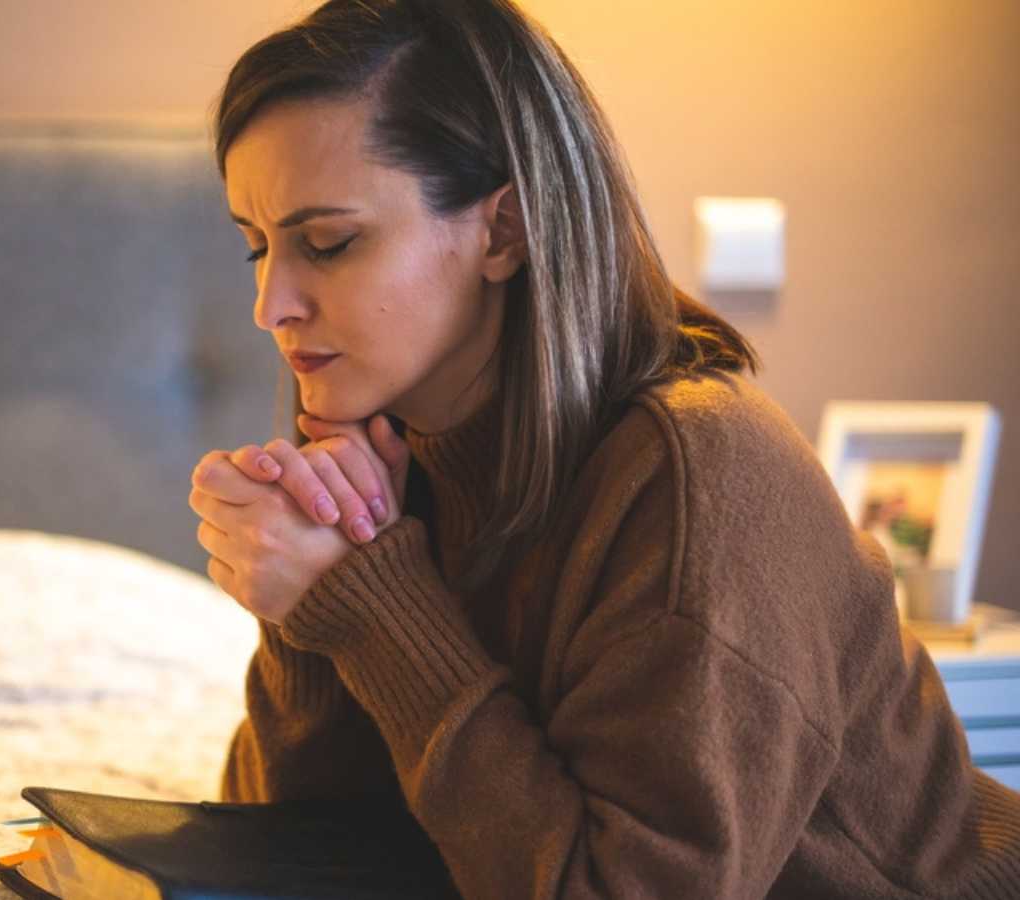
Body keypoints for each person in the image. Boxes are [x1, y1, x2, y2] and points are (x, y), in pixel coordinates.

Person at [184, 1, 1020, 897]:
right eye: (255, 250)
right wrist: (318, 605)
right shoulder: (395, 459)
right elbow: (300, 852)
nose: (271, 305)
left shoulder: (700, 472)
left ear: (503, 231)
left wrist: (371, 608)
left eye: (327, 243)